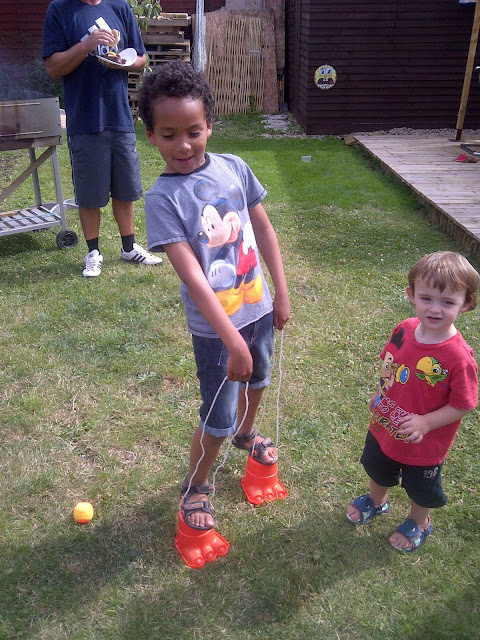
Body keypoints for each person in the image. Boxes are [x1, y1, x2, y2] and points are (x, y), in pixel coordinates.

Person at [138, 60, 290, 531]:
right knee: (218, 416)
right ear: (151, 137)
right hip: (216, 330)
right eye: (168, 134)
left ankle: (249, 433)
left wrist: (280, 293)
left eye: (193, 131)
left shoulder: (235, 168)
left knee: (259, 380)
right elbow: (195, 279)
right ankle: (197, 484)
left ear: (210, 127)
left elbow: (263, 229)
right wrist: (230, 340)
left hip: (258, 309)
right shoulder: (163, 199)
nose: (182, 144)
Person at [347, 251, 479, 552]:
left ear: (467, 303)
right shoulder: (404, 329)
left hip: (425, 444)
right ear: (411, 295)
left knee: (420, 487)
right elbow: (390, 364)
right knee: (377, 466)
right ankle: (377, 502)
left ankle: (420, 522)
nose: (435, 309)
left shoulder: (459, 357)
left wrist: (426, 422)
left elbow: (464, 403)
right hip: (385, 425)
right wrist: (381, 393)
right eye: (427, 298)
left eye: (447, 302)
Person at [42, 0, 162, 277]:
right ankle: (93, 252)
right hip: (84, 117)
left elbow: (141, 59)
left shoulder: (119, 7)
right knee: (89, 193)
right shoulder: (60, 9)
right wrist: (87, 44)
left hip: (118, 114)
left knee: (125, 187)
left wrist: (122, 62)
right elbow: (53, 68)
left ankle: (129, 247)